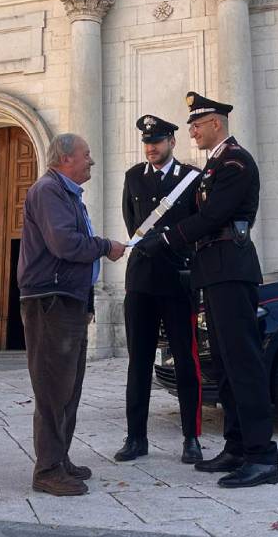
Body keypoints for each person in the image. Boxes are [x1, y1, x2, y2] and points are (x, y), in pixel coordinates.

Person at [136, 92, 278, 488]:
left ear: (215, 123)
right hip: (213, 272)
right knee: (225, 364)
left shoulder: (235, 162)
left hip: (231, 271)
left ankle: (262, 456)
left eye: (196, 125)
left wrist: (165, 240)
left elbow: (214, 216)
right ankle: (237, 446)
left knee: (243, 362)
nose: (192, 132)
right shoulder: (215, 165)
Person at [17, 133, 126, 497]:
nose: (91, 161)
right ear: (65, 159)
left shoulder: (68, 195)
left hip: (69, 300)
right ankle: (46, 470)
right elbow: (64, 244)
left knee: (69, 387)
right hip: (51, 301)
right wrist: (105, 247)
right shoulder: (48, 191)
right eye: (86, 154)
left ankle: (59, 458)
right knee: (53, 388)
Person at [115, 114, 204, 464]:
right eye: (147, 143)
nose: (151, 148)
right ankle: (136, 437)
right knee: (138, 361)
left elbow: (198, 225)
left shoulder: (191, 179)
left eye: (158, 141)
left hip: (178, 279)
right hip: (141, 281)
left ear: (172, 142)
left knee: (186, 360)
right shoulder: (133, 178)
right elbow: (131, 224)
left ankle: (191, 438)